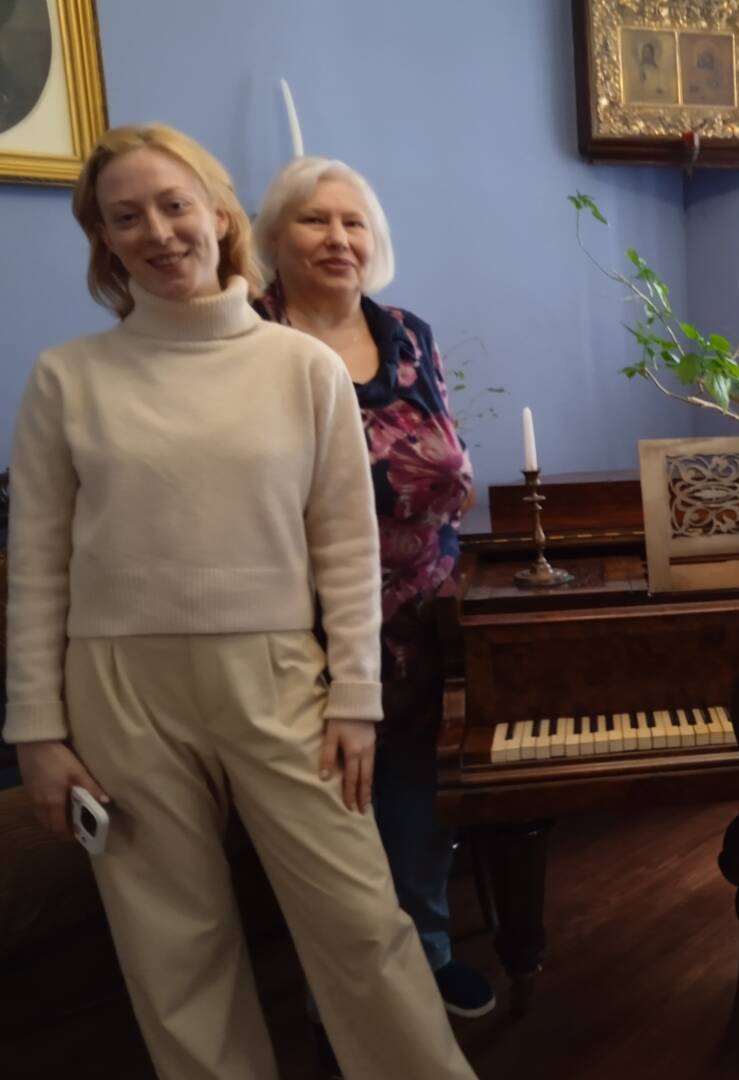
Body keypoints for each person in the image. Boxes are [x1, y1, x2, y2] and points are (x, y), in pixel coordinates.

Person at [3, 123, 477, 1080]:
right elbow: (38, 564)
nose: (157, 232)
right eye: (125, 217)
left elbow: (345, 548)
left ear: (219, 216)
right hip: (116, 688)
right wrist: (37, 733)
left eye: (174, 205)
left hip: (279, 675)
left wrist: (356, 699)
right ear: (104, 239)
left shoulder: (301, 366)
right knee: (172, 949)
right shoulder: (67, 378)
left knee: (361, 923)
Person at [250, 157, 489, 1060]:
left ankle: (427, 955)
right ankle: (344, 988)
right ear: (273, 237)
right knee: (332, 823)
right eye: (314, 220)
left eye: (353, 222)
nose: (337, 238)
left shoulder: (407, 333)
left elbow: (448, 461)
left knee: (417, 803)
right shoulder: (249, 336)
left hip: (425, 615)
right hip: (303, 628)